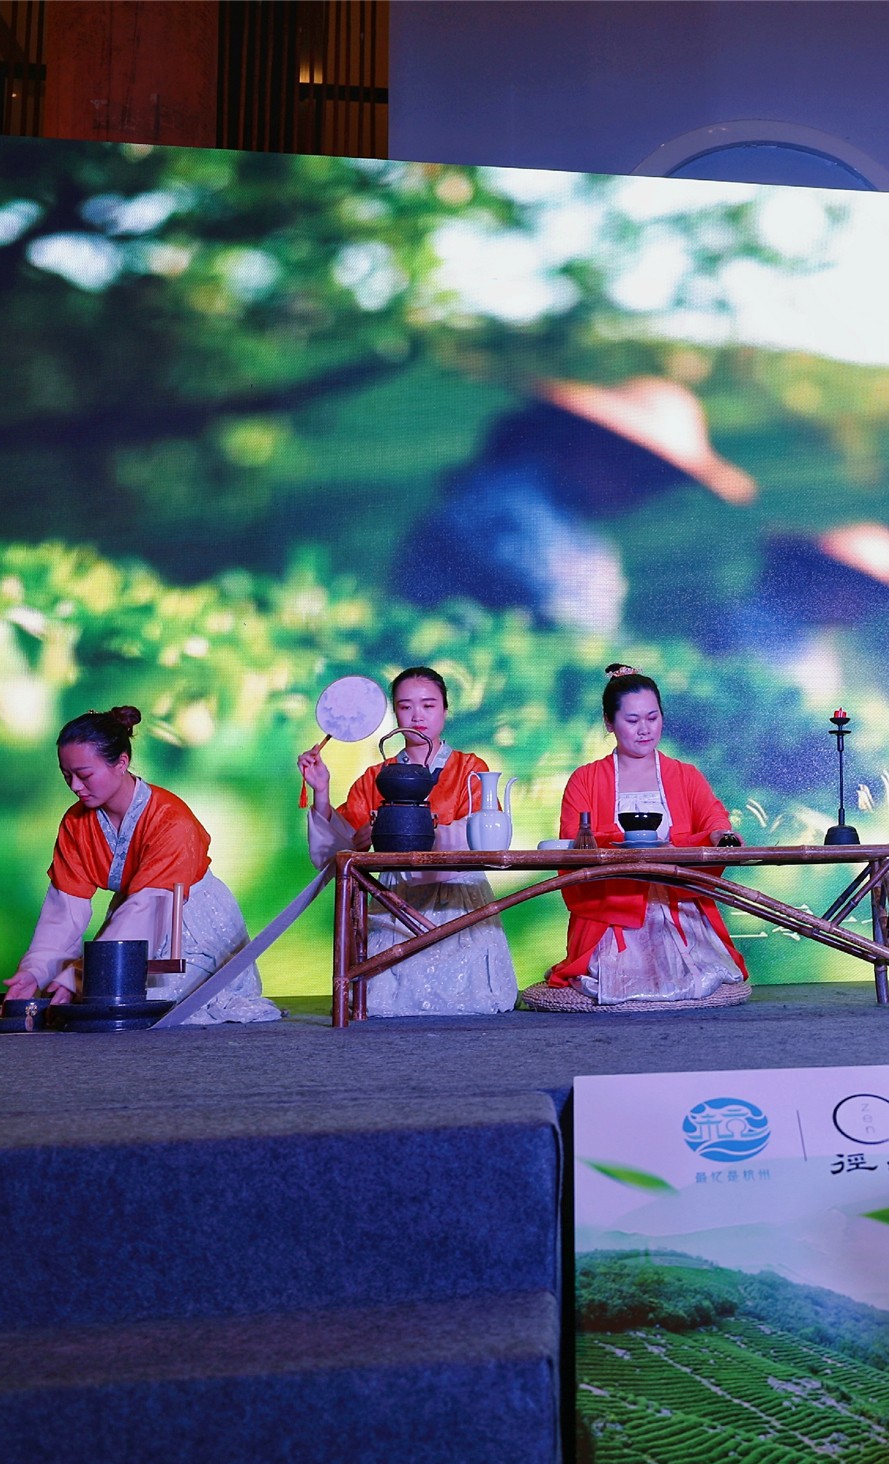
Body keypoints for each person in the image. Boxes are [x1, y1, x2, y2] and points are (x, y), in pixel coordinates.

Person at [393, 378, 756, 636]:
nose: (645, 494)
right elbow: (568, 620)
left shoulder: (571, 527)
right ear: (594, 443)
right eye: (644, 473)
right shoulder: (508, 504)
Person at [5, 706, 278, 1022]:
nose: (75, 786)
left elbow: (147, 910)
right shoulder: (76, 823)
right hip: (130, 930)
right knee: (78, 996)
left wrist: (80, 977)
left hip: (190, 931)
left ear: (121, 762)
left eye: (84, 774)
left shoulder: (172, 820)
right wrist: (35, 971)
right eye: (67, 776)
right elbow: (63, 912)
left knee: (134, 1002)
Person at [297, 667, 519, 1015]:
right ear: (395, 714)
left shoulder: (469, 769)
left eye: (429, 706)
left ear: (445, 710)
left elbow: (482, 836)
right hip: (397, 901)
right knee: (387, 1003)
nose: (417, 716)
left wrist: (411, 832)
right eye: (405, 706)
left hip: (457, 899)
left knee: (470, 1003)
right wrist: (321, 790)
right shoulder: (376, 777)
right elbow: (337, 852)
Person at [546, 664, 748, 1004]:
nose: (644, 729)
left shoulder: (684, 774)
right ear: (609, 723)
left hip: (676, 905)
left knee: (700, 977)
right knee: (610, 981)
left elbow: (712, 815)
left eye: (652, 718)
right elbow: (575, 842)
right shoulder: (585, 779)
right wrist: (636, 844)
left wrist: (717, 835)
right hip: (614, 908)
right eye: (632, 720)